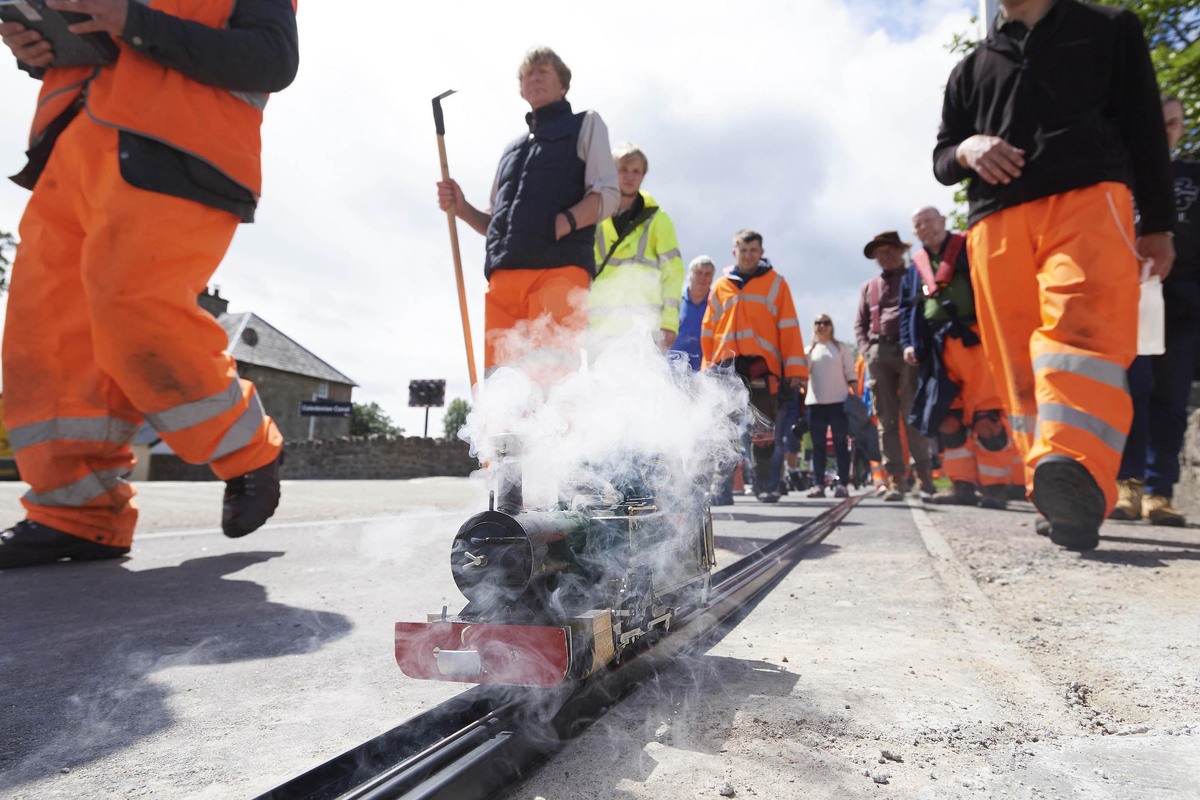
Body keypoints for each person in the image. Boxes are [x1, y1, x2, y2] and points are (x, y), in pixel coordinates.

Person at [0, 0, 297, 570]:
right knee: (45, 338)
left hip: (174, 150)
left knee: (132, 305)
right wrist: (35, 51)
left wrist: (134, 23)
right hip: (70, 154)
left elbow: (272, 59)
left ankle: (249, 452)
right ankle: (76, 516)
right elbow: (96, 46)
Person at [934, 0, 1175, 551]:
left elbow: (1143, 123)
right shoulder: (970, 68)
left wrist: (1158, 223)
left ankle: (1081, 474)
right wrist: (967, 149)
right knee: (1017, 367)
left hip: (1088, 200)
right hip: (994, 224)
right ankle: (1050, 485)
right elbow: (943, 155)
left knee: (1079, 338)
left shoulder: (1109, 28)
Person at [437, 47, 619, 377]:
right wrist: (461, 208)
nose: (533, 78)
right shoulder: (511, 150)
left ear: (563, 84)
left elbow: (607, 193)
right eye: (527, 74)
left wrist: (562, 224)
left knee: (550, 381)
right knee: (501, 385)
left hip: (558, 271)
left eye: (542, 71)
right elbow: (495, 223)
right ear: (521, 88)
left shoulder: (586, 124)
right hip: (503, 279)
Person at [1110, 95, 1198, 527]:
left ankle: (1159, 493)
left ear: (1182, 128)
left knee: (1171, 399)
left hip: (1183, 305)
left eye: (1175, 123)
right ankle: (1128, 486)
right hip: (1133, 300)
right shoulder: (1121, 179)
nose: (1167, 129)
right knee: (1133, 391)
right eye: (1159, 121)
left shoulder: (1193, 176)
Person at [902, 206, 1018, 510]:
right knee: (948, 420)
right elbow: (907, 309)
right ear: (914, 233)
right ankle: (962, 485)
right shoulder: (915, 267)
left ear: (943, 221)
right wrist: (909, 343)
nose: (926, 227)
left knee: (988, 418)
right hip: (937, 351)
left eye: (930, 220)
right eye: (919, 225)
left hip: (976, 340)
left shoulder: (969, 246)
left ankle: (994, 487)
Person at [701, 229, 807, 503]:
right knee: (722, 430)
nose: (747, 255)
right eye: (742, 250)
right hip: (725, 366)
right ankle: (721, 491)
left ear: (761, 252)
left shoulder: (776, 283)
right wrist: (707, 366)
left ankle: (765, 485)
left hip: (762, 368)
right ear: (734, 252)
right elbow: (708, 329)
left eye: (752, 250)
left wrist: (794, 371)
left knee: (762, 432)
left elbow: (789, 328)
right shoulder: (721, 286)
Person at [854, 231, 936, 502]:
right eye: (880, 253)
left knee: (913, 414)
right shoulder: (869, 286)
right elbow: (860, 324)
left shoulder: (915, 276)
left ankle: (925, 477)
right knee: (885, 418)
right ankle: (896, 480)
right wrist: (867, 351)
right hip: (878, 353)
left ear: (901, 252)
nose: (885, 257)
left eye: (890, 251)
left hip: (909, 349)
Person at [589, 143, 684, 353]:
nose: (629, 176)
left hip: (643, 330)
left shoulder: (659, 221)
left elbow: (673, 273)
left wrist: (669, 323)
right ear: (611, 172)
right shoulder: (594, 216)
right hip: (599, 329)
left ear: (643, 176)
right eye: (623, 170)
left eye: (636, 171)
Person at [804, 315, 857, 498]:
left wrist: (856, 399)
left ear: (831, 326)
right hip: (815, 403)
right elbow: (804, 373)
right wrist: (810, 349)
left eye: (825, 323)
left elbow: (851, 373)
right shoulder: (809, 350)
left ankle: (842, 484)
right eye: (818, 323)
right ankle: (819, 484)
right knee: (818, 447)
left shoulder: (841, 348)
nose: (822, 326)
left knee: (840, 444)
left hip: (839, 402)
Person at [671, 256, 716, 371]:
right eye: (699, 272)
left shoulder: (717, 304)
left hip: (705, 373)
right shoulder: (675, 301)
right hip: (673, 371)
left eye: (707, 274)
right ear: (689, 275)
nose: (703, 277)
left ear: (712, 278)